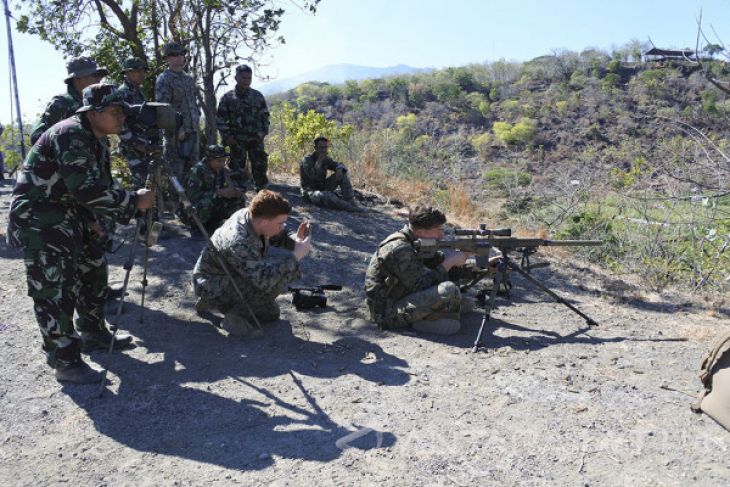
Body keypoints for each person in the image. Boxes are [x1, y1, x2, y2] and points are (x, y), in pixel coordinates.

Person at [6, 84, 156, 383]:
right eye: (115, 112)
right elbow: (86, 189)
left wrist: (92, 220)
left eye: (123, 112)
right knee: (55, 291)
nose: (121, 118)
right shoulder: (70, 134)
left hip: (70, 214)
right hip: (42, 220)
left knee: (94, 270)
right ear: (94, 112)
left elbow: (90, 185)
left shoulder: (97, 139)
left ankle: (92, 332)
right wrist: (132, 201)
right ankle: (66, 362)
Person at [192, 190, 312, 336]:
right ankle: (233, 315)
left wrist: (296, 240)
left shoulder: (253, 216)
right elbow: (265, 281)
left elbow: (279, 233)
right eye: (280, 223)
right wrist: (295, 257)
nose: (282, 226)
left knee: (271, 313)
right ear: (264, 221)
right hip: (211, 281)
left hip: (230, 274)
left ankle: (215, 303)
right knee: (276, 282)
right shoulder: (239, 240)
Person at [364, 204, 491, 335]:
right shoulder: (399, 248)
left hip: (403, 297)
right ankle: (423, 322)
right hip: (386, 313)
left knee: (465, 302)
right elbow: (421, 285)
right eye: (438, 230)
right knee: (449, 290)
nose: (442, 235)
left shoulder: (418, 243)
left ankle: (430, 317)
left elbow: (444, 268)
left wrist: (477, 268)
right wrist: (449, 262)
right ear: (421, 232)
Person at [30, 57, 107, 145]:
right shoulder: (62, 103)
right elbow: (37, 138)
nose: (99, 79)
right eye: (95, 75)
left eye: (100, 76)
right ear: (78, 79)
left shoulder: (93, 103)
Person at [216, 64, 270, 192]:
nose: (246, 81)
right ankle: (237, 198)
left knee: (260, 168)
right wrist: (227, 137)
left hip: (255, 140)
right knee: (237, 171)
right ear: (236, 78)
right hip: (236, 141)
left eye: (249, 78)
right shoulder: (228, 98)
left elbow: (265, 116)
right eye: (243, 78)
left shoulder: (257, 96)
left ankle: (262, 196)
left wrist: (262, 132)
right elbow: (220, 119)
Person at [155, 41, 200, 184]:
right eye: (174, 55)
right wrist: (178, 129)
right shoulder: (164, 79)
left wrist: (195, 122)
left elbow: (193, 104)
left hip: (193, 133)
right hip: (176, 137)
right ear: (167, 59)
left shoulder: (188, 79)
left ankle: (192, 204)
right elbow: (163, 109)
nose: (179, 58)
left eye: (182, 54)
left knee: (194, 173)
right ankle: (175, 205)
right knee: (176, 175)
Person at [117, 57, 162, 189]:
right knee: (142, 185)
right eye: (138, 71)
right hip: (133, 147)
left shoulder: (138, 92)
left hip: (144, 145)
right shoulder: (122, 93)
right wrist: (136, 143)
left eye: (143, 71)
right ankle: (139, 209)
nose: (142, 74)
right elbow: (120, 124)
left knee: (151, 183)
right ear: (128, 73)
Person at [183, 144, 246, 235]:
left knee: (239, 199)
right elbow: (191, 197)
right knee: (207, 203)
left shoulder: (222, 171)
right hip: (191, 210)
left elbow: (229, 187)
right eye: (219, 161)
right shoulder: (197, 171)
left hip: (214, 205)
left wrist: (235, 192)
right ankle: (199, 227)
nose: (222, 164)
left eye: (224, 161)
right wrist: (218, 193)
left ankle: (234, 226)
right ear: (209, 160)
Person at [299, 136, 363, 212]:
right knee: (326, 195)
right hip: (310, 192)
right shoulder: (307, 160)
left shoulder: (326, 159)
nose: (323, 150)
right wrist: (319, 161)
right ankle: (351, 208)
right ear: (315, 148)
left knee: (342, 173)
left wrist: (339, 168)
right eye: (321, 147)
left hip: (322, 187)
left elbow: (339, 165)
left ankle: (350, 200)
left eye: (325, 147)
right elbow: (312, 176)